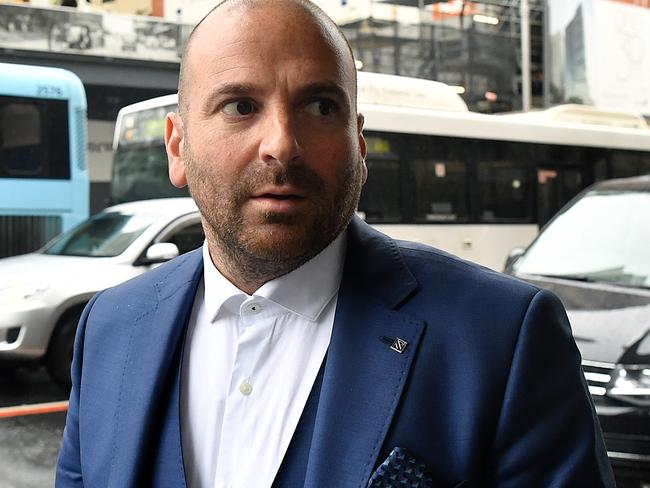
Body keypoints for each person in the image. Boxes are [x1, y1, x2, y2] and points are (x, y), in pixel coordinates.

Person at [56, 0, 615, 486]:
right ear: (178, 147)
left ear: (360, 143)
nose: (281, 144)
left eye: (321, 106)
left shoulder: (503, 339)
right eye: (240, 106)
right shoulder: (109, 328)